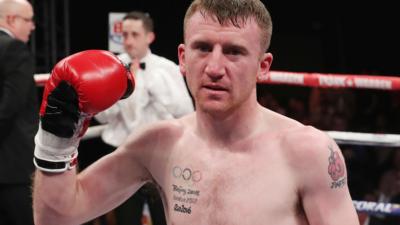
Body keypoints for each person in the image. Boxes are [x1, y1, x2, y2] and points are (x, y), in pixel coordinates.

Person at [32, 0, 360, 224]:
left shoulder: (307, 152)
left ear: (263, 67)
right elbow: (58, 216)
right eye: (203, 48)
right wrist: (55, 138)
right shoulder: (159, 143)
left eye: (233, 52)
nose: (215, 68)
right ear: (184, 58)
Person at [92, 11, 194, 225]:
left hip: (160, 157)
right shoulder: (112, 66)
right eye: (125, 35)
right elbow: (101, 118)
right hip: (122, 155)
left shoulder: (167, 69)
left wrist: (159, 92)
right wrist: (120, 94)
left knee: (165, 219)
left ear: (149, 37)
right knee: (125, 219)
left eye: (135, 35)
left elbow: (186, 112)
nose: (128, 41)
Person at [0, 0, 37, 225]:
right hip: (14, 168)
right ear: (11, 20)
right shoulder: (13, 49)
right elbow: (8, 108)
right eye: (28, 19)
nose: (32, 26)